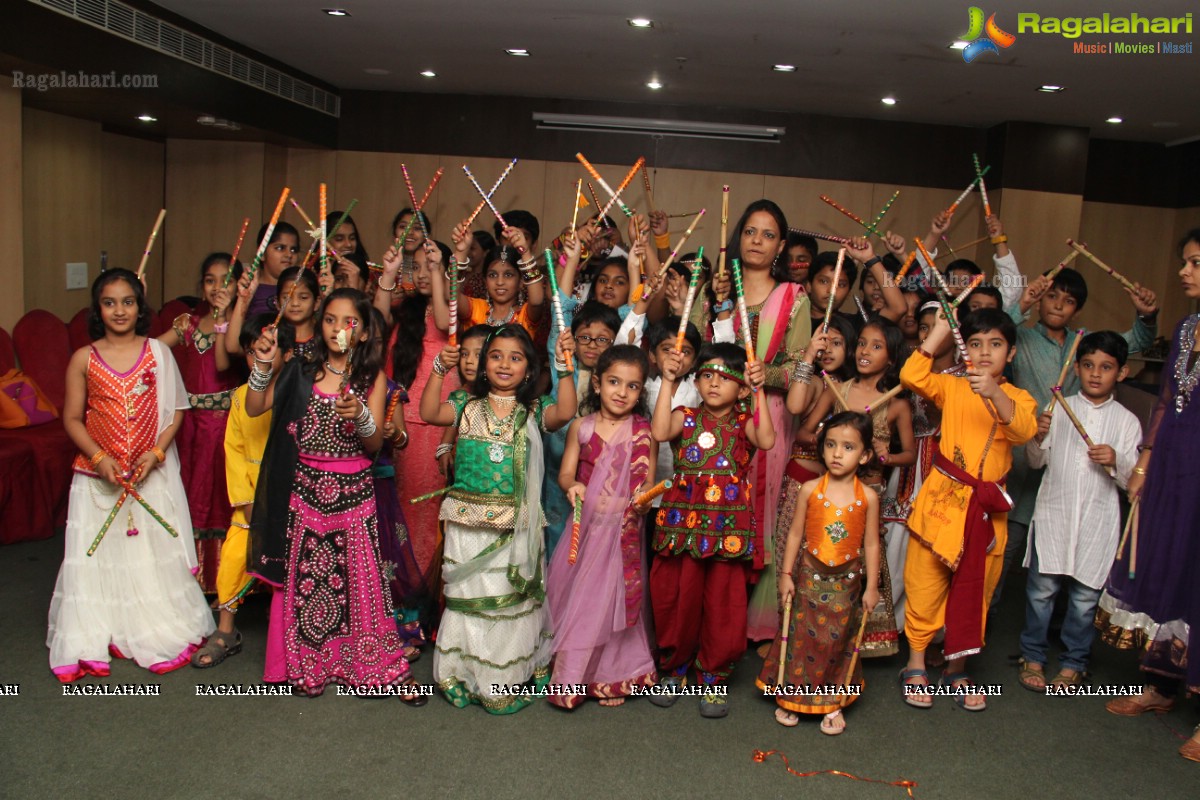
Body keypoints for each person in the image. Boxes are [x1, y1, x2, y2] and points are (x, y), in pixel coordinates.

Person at [246, 288, 416, 698]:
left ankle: (363, 661)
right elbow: (255, 407)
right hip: (304, 491)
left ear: (361, 332)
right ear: (321, 327)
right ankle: (309, 663)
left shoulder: (370, 378)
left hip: (354, 491)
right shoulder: (300, 370)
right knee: (305, 580)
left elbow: (374, 445)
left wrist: (359, 416)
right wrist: (264, 365)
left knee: (358, 580)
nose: (339, 328)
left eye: (349, 321)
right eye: (330, 320)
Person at [48, 269, 214, 681]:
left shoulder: (158, 353)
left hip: (148, 474)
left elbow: (176, 412)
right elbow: (71, 418)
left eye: (128, 301)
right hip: (96, 478)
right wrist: (100, 457)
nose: (119, 310)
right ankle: (102, 625)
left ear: (140, 307)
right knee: (97, 555)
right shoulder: (83, 358)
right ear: (97, 309)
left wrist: (156, 454)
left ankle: (149, 624)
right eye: (109, 302)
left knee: (149, 555)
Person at [419, 324, 578, 713]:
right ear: (482, 364)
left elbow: (567, 412)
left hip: (516, 527)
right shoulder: (465, 404)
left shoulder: (533, 411)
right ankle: (460, 672)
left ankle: (502, 679)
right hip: (467, 522)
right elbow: (427, 412)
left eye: (516, 357)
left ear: (529, 369)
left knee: (508, 604)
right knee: (469, 601)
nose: (505, 364)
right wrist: (439, 368)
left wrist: (567, 370)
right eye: (496, 355)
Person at [898, 307, 1037, 710]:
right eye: (975, 344)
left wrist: (993, 391)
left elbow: (1024, 429)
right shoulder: (951, 386)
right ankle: (916, 664)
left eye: (995, 344)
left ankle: (957, 670)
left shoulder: (1018, 397)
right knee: (924, 583)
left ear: (1010, 353)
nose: (985, 352)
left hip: (986, 512)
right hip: (942, 503)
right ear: (964, 352)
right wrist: (939, 331)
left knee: (976, 591)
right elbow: (911, 377)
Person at [994, 265, 1158, 605]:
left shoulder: (1085, 345)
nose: (1057, 305)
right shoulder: (1020, 338)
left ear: (1077, 309)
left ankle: (1055, 638)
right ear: (1041, 301)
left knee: (1068, 561)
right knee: (1004, 551)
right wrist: (1022, 303)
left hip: (1072, 462)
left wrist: (1146, 316)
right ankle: (982, 631)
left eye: (1068, 301)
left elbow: (1136, 341)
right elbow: (998, 329)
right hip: (1028, 455)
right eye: (1051, 297)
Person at [1097, 228, 1200, 763]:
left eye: (1195, 263)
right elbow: (1164, 403)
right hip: (1173, 470)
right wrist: (1145, 462)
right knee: (1164, 563)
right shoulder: (1185, 329)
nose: (1184, 271)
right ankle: (1161, 687)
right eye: (1186, 261)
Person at [649, 342, 775, 717]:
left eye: (724, 378)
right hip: (682, 523)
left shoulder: (743, 422)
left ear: (740, 388)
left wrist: (760, 391)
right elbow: (658, 432)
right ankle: (675, 668)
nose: (713, 384)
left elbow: (767, 440)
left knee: (723, 602)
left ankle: (714, 676)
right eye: (706, 376)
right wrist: (669, 382)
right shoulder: (684, 416)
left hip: (726, 527)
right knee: (678, 597)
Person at [1017, 331, 1141, 692]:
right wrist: (1037, 437)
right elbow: (1035, 462)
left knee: (1085, 598)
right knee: (1041, 592)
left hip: (1096, 521)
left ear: (1122, 372)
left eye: (1106, 367)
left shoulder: (1127, 421)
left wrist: (1116, 461)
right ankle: (1034, 655)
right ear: (1077, 369)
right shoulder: (1058, 407)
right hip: (1054, 515)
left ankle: (1074, 663)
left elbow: (1132, 480)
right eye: (1088, 365)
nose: (1096, 374)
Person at [546, 345, 656, 709]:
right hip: (589, 530)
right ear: (596, 384)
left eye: (632, 386)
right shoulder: (583, 426)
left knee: (616, 604)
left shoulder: (645, 432)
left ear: (641, 392)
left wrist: (642, 500)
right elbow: (565, 473)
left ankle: (613, 676)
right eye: (613, 382)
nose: (622, 392)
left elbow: (648, 485)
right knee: (584, 602)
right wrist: (571, 485)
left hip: (623, 532)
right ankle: (571, 678)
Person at [757, 411, 881, 734]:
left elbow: (870, 544)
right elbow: (796, 534)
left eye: (848, 447)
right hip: (809, 580)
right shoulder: (810, 489)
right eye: (831, 445)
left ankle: (831, 700)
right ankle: (794, 696)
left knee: (835, 641)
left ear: (865, 454)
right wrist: (785, 575)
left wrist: (872, 586)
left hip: (847, 584)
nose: (837, 454)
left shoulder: (867, 497)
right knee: (801, 639)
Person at [191, 313, 291, 668]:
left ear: (288, 354)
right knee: (235, 552)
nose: (258, 358)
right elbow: (232, 450)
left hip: (291, 495)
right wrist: (248, 501)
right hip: (250, 496)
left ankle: (290, 626)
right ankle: (227, 627)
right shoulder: (240, 398)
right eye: (251, 352)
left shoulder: (295, 393)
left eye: (267, 349)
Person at [157, 252, 241, 592]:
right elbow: (152, 351)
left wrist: (225, 317)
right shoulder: (187, 323)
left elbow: (225, 365)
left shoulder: (242, 324)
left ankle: (225, 579)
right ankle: (190, 576)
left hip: (225, 426)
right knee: (190, 492)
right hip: (190, 427)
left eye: (226, 280)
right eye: (210, 280)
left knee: (222, 495)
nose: (217, 287)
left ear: (239, 286)